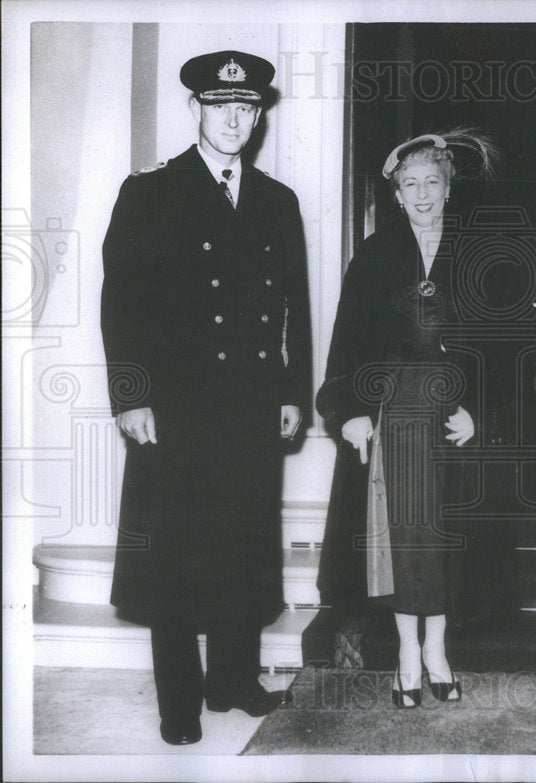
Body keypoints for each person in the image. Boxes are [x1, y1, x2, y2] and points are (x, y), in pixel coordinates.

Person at [101, 51, 312, 745]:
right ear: (196, 109)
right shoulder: (151, 192)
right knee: (176, 553)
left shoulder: (277, 201)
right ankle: (180, 702)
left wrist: (293, 392)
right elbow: (121, 306)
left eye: (246, 108)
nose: (233, 119)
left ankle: (234, 679)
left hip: (252, 402)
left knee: (243, 543)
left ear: (257, 116)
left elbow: (296, 310)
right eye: (221, 106)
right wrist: (131, 395)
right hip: (177, 407)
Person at [316, 130, 496, 707]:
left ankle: (438, 649)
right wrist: (348, 412)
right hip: (389, 413)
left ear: (449, 188)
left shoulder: (478, 253)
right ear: (396, 194)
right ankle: (405, 654)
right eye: (410, 184)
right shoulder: (372, 254)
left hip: (451, 417)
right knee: (396, 538)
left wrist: (481, 414)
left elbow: (500, 344)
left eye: (432, 183)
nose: (422, 194)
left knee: (438, 536)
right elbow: (345, 343)